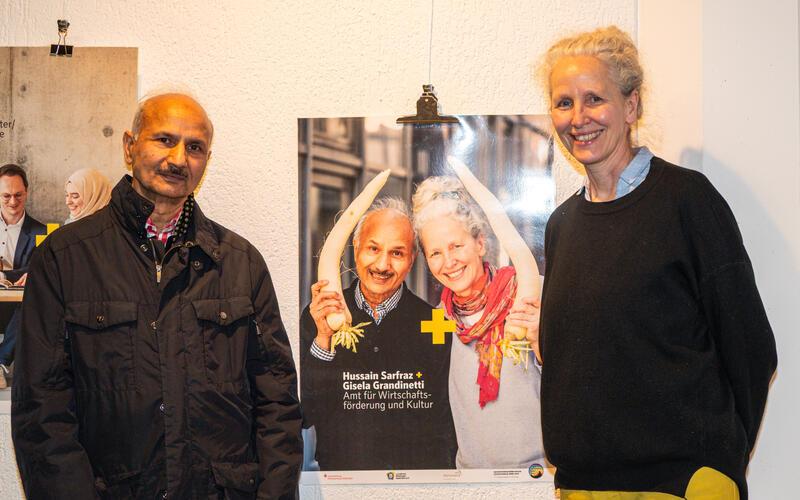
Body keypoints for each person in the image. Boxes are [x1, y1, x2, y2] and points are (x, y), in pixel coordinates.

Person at [11, 93, 303, 499]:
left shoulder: (240, 264)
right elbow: (41, 410)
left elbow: (278, 404)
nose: (179, 158)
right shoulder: (64, 258)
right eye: (164, 140)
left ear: (206, 160)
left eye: (195, 147)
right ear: (129, 146)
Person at [538, 26, 777, 499]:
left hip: (681, 485)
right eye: (564, 103)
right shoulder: (561, 225)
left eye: (594, 99)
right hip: (582, 488)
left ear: (631, 106)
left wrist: (717, 459)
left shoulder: (687, 202)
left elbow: (751, 346)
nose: (578, 118)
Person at [300, 197, 456, 470]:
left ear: (412, 259)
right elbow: (306, 413)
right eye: (373, 248)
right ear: (356, 248)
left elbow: (447, 427)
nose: (382, 265)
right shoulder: (318, 317)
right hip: (343, 487)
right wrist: (323, 339)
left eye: (397, 253)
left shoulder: (437, 324)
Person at [411, 176, 544, 469]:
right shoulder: (439, 321)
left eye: (456, 246)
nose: (449, 262)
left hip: (538, 480)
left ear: (480, 243)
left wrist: (541, 342)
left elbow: (580, 380)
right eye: (435, 253)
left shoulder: (530, 295)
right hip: (472, 484)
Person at [0, 164, 46, 389]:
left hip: (18, 311)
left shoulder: (42, 232)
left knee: (33, 299)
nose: (12, 202)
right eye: (6, 196)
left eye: (18, 195)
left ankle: (0, 363)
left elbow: (38, 270)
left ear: (26, 192)